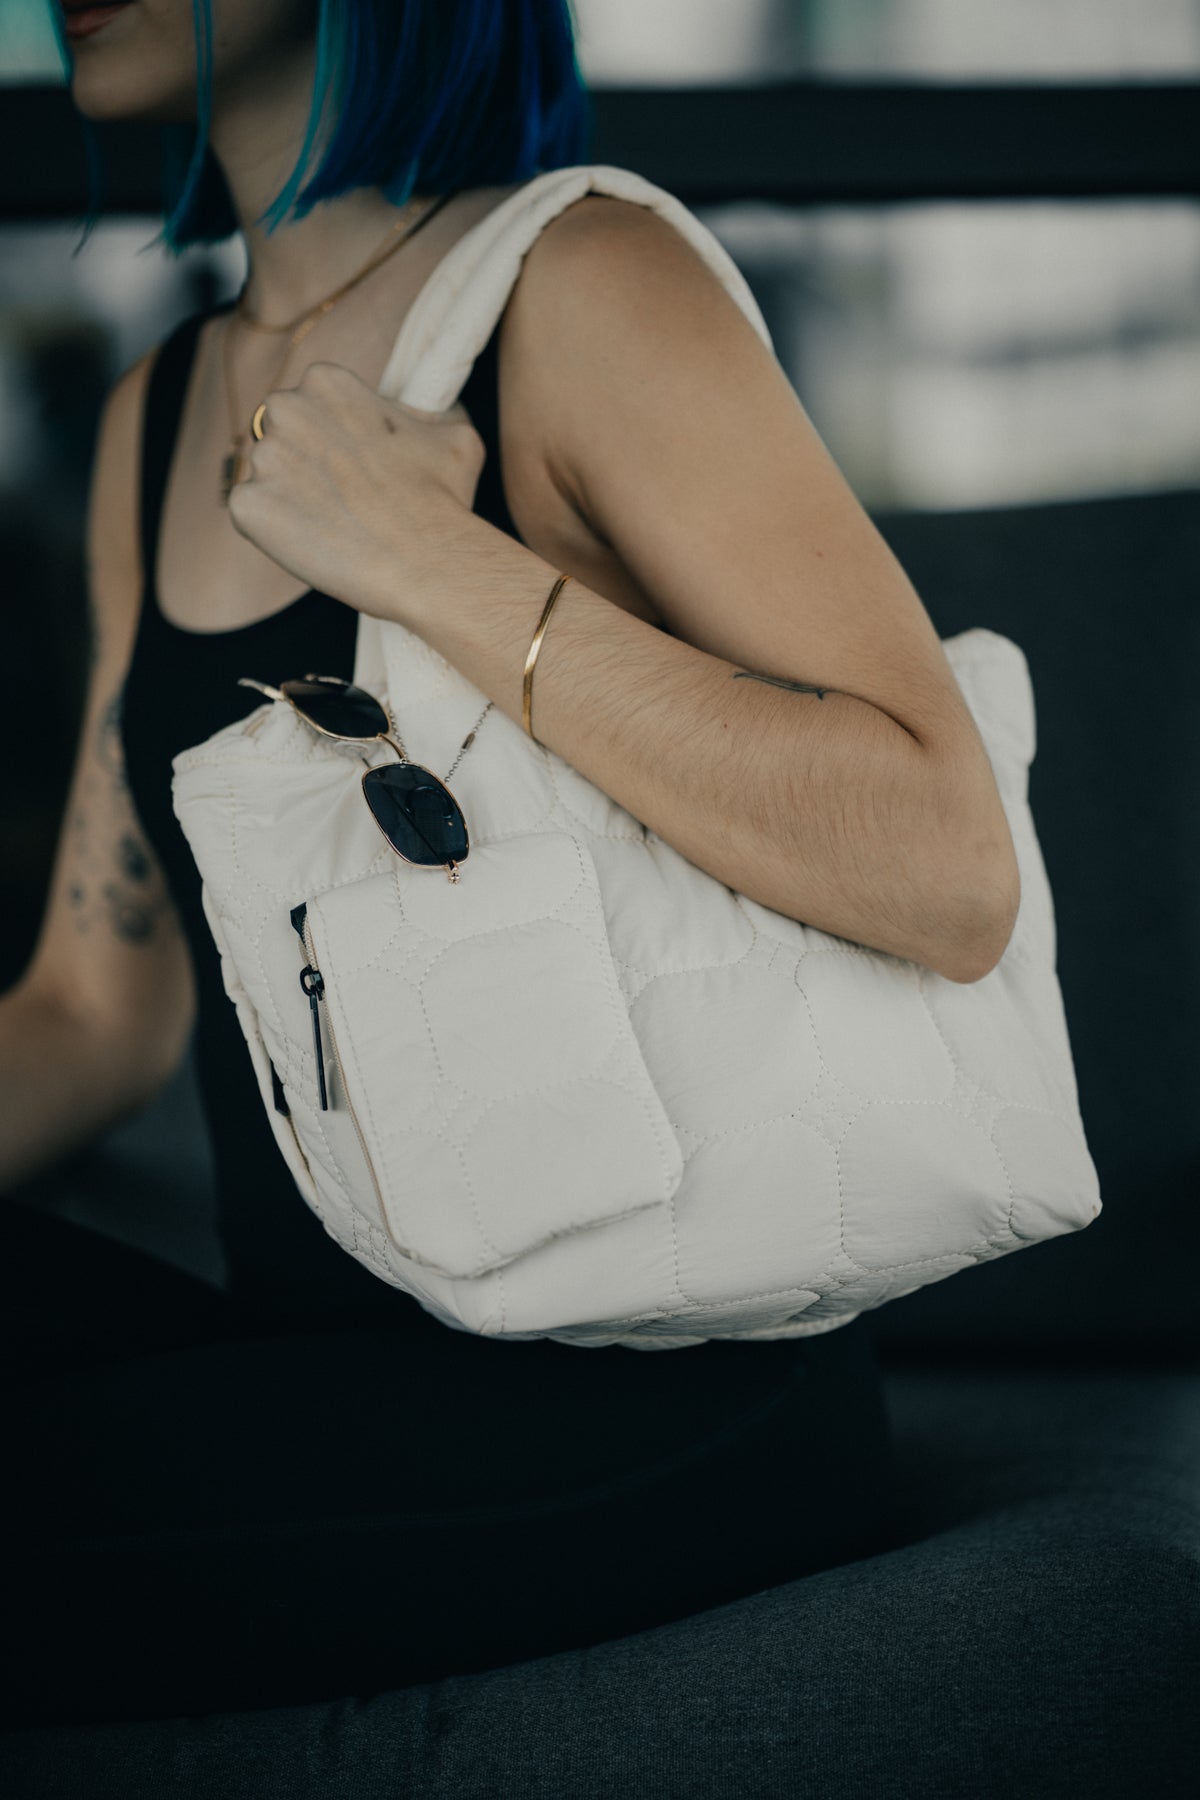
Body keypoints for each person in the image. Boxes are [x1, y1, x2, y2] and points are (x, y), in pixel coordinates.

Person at [0, 0, 1029, 1732]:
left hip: (650, 1383)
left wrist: (430, 562)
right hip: (325, 1360)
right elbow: (95, 1007)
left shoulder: (586, 282)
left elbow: (946, 862)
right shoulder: (154, 416)